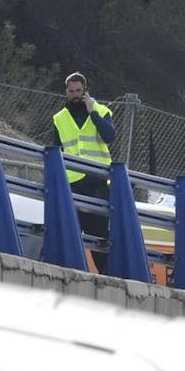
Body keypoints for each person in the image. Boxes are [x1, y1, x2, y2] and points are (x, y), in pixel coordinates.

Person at [50, 72, 115, 273]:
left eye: (78, 91)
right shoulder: (59, 118)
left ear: (85, 91)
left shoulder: (101, 111)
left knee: (100, 238)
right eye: (71, 91)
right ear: (66, 92)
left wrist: (92, 111)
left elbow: (109, 136)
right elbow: (56, 151)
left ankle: (107, 276)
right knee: (70, 233)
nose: (75, 95)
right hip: (73, 184)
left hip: (97, 183)